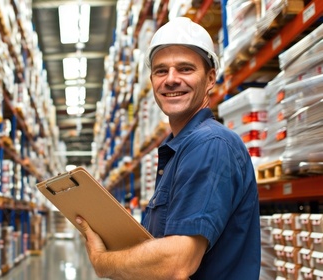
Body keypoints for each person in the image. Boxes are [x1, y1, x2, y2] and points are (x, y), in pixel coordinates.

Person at [75, 17, 260, 279]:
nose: (171, 80)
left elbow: (177, 263)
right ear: (152, 80)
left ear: (209, 79)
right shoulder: (179, 149)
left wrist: (103, 261)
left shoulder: (209, 145)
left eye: (185, 69)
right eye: (161, 71)